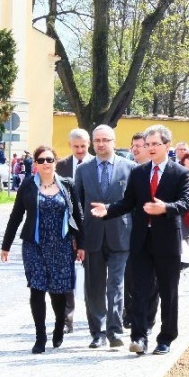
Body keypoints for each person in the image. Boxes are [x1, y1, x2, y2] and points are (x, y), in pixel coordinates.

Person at [90, 124, 189, 356]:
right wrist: (107, 210)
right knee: (139, 291)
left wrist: (164, 207)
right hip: (140, 241)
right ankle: (139, 336)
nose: (151, 148)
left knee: (168, 291)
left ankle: (166, 338)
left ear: (167, 145)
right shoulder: (138, 173)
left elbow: (186, 202)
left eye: (156, 144)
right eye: (148, 145)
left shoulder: (180, 173)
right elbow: (128, 202)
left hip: (166, 242)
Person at [1, 146, 85, 354]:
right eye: (41, 160)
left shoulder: (67, 184)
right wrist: (6, 245)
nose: (45, 163)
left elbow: (79, 216)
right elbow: (16, 215)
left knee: (58, 291)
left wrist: (82, 244)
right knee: (37, 289)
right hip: (34, 245)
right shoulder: (28, 185)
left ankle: (59, 324)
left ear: (55, 162)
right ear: (35, 164)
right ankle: (40, 336)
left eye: (49, 159)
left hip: (62, 245)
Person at [75, 125, 135, 349]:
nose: (101, 144)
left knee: (116, 284)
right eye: (97, 140)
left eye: (105, 140)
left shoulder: (129, 168)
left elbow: (134, 204)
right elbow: (77, 207)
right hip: (92, 235)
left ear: (114, 141)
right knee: (94, 286)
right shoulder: (83, 170)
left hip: (121, 235)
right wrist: (78, 239)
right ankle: (97, 332)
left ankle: (115, 330)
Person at [54, 128, 93, 333]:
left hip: (93, 228)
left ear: (89, 145)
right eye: (76, 146)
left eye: (83, 146)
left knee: (94, 275)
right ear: (70, 145)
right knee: (66, 275)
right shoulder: (59, 167)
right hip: (66, 230)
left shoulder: (97, 165)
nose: (79, 150)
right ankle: (66, 319)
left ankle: (94, 317)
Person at [122, 132, 159, 331]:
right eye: (132, 145)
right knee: (130, 275)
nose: (135, 149)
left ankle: (148, 320)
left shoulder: (158, 172)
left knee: (152, 280)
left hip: (154, 233)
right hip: (129, 232)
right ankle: (130, 313)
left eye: (139, 145)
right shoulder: (129, 170)